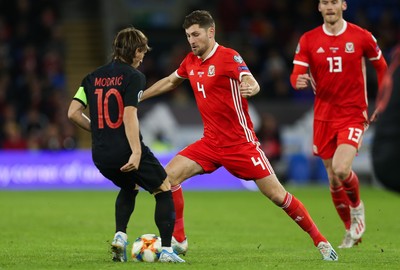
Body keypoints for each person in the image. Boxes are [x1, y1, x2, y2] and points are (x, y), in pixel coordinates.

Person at [140, 10, 338, 261]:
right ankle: (179, 241)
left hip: (241, 145)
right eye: (189, 35)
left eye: (196, 34)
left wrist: (251, 86)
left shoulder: (228, 57)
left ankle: (320, 241)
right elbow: (170, 81)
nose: (192, 40)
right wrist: (140, 96)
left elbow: (249, 79)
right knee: (168, 178)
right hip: (210, 143)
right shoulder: (190, 60)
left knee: (278, 196)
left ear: (211, 32)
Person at [67, 27, 185, 263]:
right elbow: (129, 115)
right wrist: (137, 151)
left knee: (130, 187)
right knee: (164, 188)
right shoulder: (134, 77)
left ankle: (120, 237)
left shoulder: (91, 78)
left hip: (100, 154)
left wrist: (98, 129)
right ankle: (167, 251)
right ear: (136, 50)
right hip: (125, 148)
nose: (143, 58)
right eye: (142, 52)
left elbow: (73, 113)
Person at [290, 0, 388, 248]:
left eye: (334, 1)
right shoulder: (309, 40)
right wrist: (297, 81)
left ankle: (357, 210)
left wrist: (384, 101)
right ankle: (349, 230)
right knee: (333, 179)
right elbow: (295, 74)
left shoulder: (361, 36)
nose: (329, 6)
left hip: (353, 113)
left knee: (342, 169)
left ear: (343, 5)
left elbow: (382, 67)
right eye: (325, 2)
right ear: (319, 7)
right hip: (323, 117)